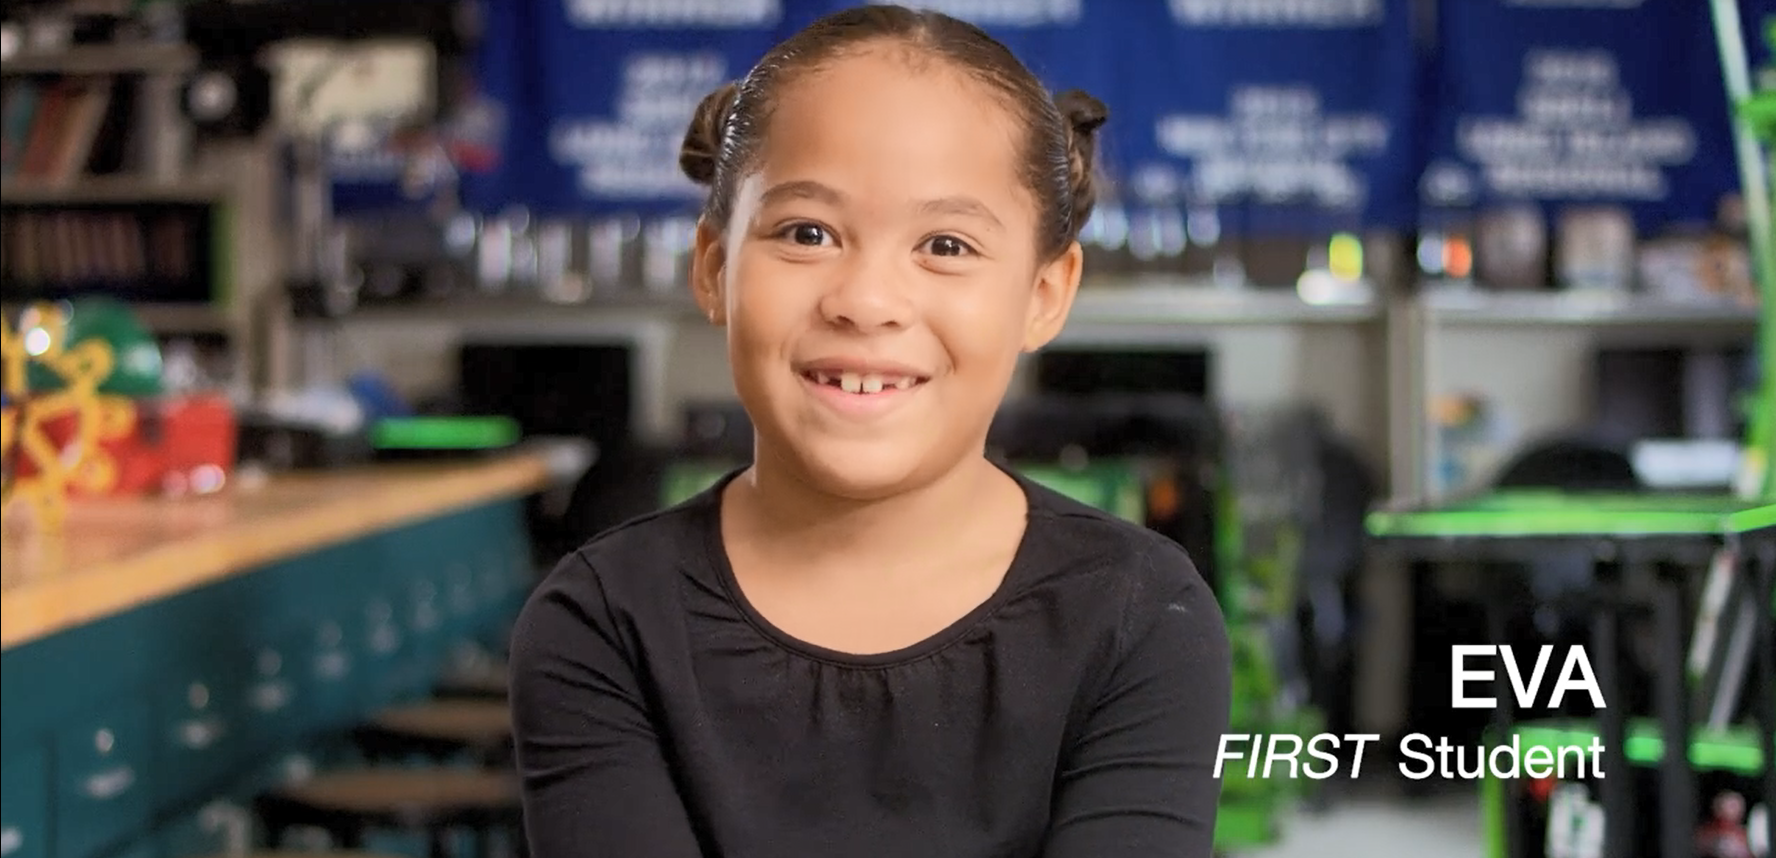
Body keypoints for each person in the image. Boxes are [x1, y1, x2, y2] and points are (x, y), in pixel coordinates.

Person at [507, 5, 1233, 856]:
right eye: (806, 233)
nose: (866, 300)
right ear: (714, 268)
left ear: (1044, 294)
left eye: (947, 245)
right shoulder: (602, 623)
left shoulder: (1144, 617)